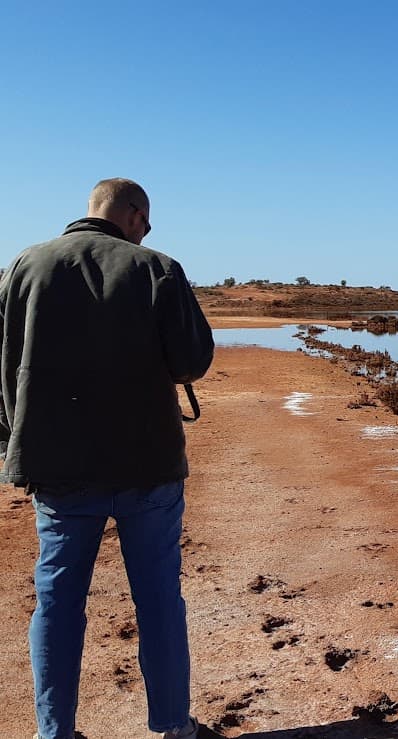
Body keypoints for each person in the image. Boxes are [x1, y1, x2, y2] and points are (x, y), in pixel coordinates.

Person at [0, 179, 214, 739]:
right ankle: (173, 725)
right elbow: (192, 361)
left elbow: (2, 363)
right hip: (147, 464)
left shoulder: (25, 265)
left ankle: (56, 732)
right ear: (134, 214)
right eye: (147, 221)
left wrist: (13, 440)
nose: (147, 232)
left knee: (56, 604)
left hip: (57, 468)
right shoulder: (156, 268)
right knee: (159, 600)